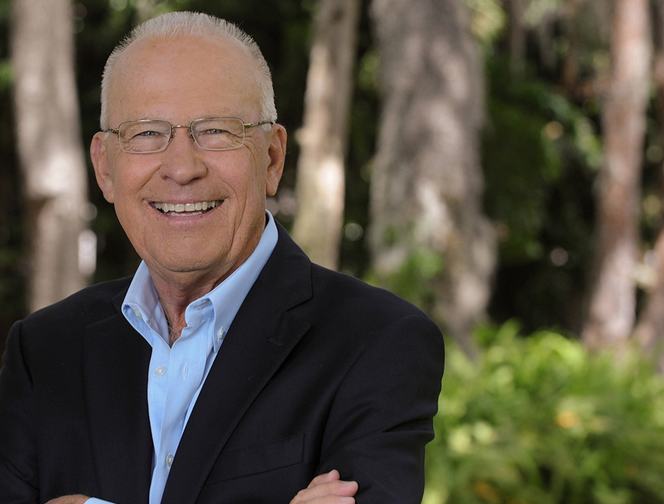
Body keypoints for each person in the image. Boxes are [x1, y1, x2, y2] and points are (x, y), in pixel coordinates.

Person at [0, 11, 444, 504]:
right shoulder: (44, 351)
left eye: (216, 130)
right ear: (105, 168)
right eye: (146, 133)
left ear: (272, 159)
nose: (182, 167)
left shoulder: (377, 342)